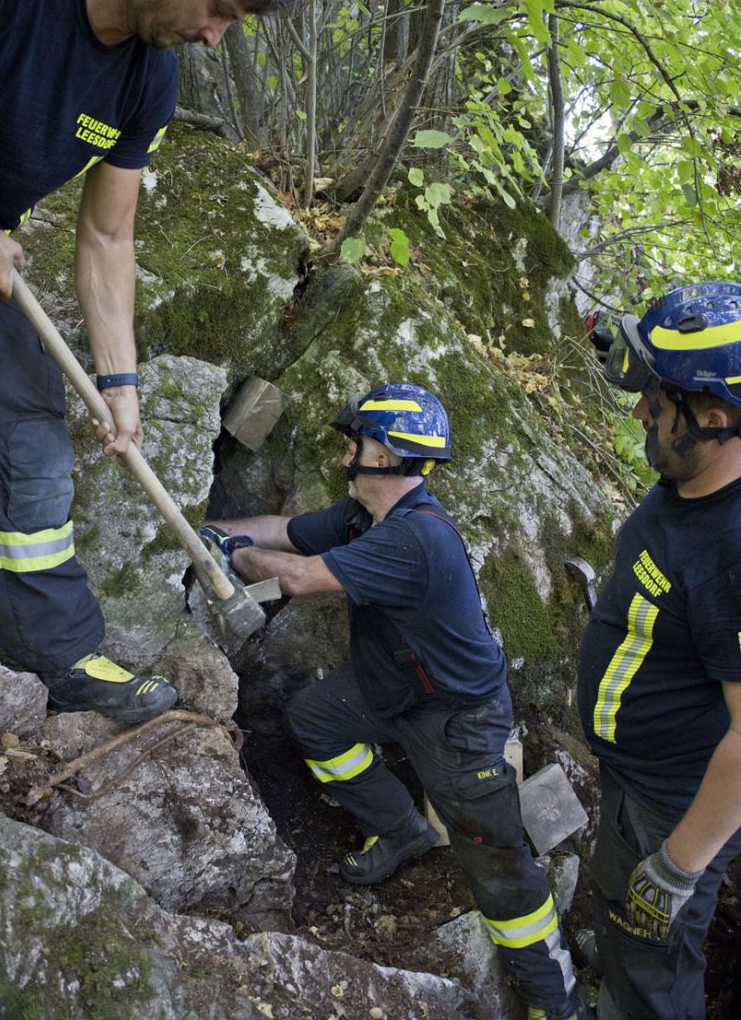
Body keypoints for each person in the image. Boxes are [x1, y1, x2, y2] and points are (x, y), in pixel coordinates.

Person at [0, 0, 302, 723]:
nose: (216, 37)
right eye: (221, 8)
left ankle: (60, 653)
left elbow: (108, 237)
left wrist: (120, 385)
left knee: (33, 424)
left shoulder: (146, 80)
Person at [202, 382, 590, 1020]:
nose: (346, 453)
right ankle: (399, 828)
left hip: (459, 722)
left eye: (356, 442)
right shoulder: (364, 516)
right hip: (393, 690)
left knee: (497, 863)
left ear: (383, 456)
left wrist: (232, 555)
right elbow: (288, 534)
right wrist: (212, 528)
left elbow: (296, 576)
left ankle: (557, 1002)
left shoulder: (415, 538)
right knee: (313, 719)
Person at [577, 281, 741, 1019]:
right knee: (626, 927)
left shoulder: (732, 551)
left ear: (714, 418)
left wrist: (678, 867)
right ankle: (618, 962)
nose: (642, 411)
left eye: (659, 402)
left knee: (657, 977)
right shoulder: (691, 477)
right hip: (636, 782)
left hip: (673, 813)